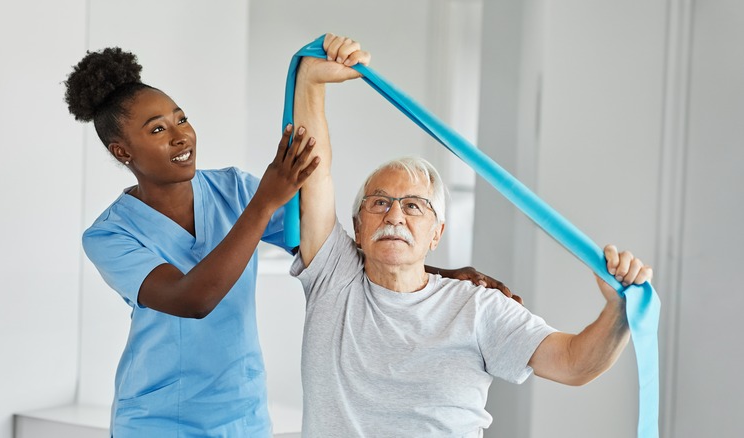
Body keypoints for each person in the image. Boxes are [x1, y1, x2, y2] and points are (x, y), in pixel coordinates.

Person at [63, 40, 511, 437]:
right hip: (157, 421)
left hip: (243, 415)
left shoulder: (232, 189)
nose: (182, 136)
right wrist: (264, 201)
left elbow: (330, 255)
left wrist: (434, 273)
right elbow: (192, 300)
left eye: (182, 119)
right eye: (158, 129)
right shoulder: (110, 234)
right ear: (122, 151)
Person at [289, 35, 654, 437]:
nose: (394, 214)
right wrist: (310, 80)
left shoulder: (478, 308)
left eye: (414, 206)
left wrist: (618, 311)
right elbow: (313, 174)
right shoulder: (333, 278)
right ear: (357, 227)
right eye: (378, 203)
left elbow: (573, 363)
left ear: (436, 233)